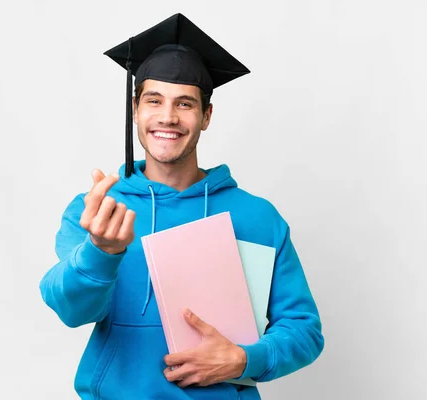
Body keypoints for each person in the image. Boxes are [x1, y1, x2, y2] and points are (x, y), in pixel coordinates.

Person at [39, 13, 324, 400]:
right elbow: (70, 310)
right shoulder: (98, 210)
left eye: (185, 103)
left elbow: (303, 329)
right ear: (136, 110)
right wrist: (100, 252)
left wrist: (244, 360)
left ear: (206, 116)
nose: (168, 117)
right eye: (154, 101)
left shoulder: (258, 217)